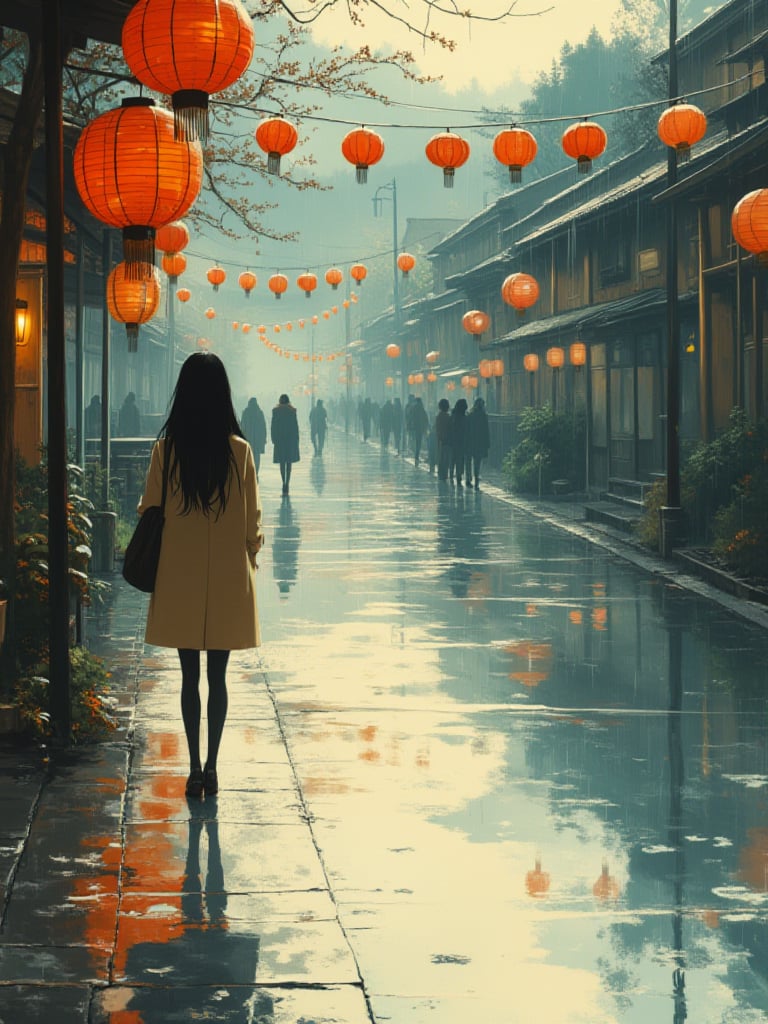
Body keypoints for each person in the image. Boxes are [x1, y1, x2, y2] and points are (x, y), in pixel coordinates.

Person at [137, 352, 264, 799]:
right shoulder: (240, 452)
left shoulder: (167, 450)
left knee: (188, 676)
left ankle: (192, 766)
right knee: (219, 678)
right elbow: (253, 524)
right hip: (228, 578)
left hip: (180, 577)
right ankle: (213, 766)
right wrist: (250, 553)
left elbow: (150, 508)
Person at [271, 393, 300, 496]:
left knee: (282, 462)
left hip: (280, 440)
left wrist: (273, 438)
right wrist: (297, 439)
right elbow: (295, 426)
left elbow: (273, 426)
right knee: (289, 462)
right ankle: (288, 482)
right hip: (290, 440)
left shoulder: (276, 411)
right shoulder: (292, 411)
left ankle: (283, 482)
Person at [466, 396, 491, 489]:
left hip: (470, 441)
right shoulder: (484, 416)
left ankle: (468, 478)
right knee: (477, 461)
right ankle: (476, 477)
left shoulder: (470, 415)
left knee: (469, 460)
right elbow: (486, 431)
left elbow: (467, 429)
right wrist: (487, 443)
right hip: (480, 442)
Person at [240, 397, 267, 476]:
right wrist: (264, 438)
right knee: (257, 457)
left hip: (247, 439)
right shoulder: (259, 413)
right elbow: (263, 427)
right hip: (258, 440)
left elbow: (242, 426)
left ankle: (250, 472)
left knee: (248, 456)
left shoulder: (245, 413)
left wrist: (242, 437)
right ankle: (256, 473)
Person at [449, 397, 469, 486]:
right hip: (462, 441)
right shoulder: (464, 418)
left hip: (453, 440)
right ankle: (458, 475)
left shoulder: (453, 416)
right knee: (460, 459)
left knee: (453, 458)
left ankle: (451, 474)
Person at [434, 398, 452, 481]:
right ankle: (444, 473)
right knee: (446, 457)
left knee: (441, 456)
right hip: (447, 440)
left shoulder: (438, 417)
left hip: (439, 438)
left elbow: (437, 428)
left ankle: (441, 472)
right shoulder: (448, 417)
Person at [410, 396, 430, 465]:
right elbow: (425, 418)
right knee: (422, 442)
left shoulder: (414, 408)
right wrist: (427, 425)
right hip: (421, 428)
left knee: (418, 442)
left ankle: (417, 456)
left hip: (416, 428)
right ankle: (418, 456)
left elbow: (412, 418)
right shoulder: (421, 408)